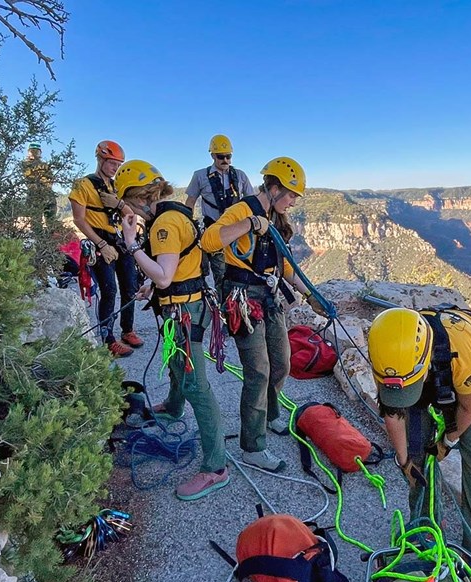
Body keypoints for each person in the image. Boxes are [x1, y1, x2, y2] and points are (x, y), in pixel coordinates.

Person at [115, 159, 229, 501]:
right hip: (183, 306)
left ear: (138, 198)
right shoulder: (174, 214)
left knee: (197, 384)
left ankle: (216, 468)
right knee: (178, 364)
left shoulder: (163, 224)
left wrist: (131, 243)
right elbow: (174, 268)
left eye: (127, 203)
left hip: (185, 312)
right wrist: (152, 285)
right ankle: (174, 406)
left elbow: (165, 274)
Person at [201, 157, 320, 473]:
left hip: (268, 295)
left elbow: (285, 265)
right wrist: (251, 224)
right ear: (275, 187)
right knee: (258, 371)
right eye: (291, 195)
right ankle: (253, 446)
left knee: (282, 361)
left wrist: (310, 295)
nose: (293, 202)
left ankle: (269, 415)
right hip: (242, 296)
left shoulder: (277, 218)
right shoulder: (244, 210)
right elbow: (209, 240)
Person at [367, 306, 471, 561]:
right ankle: (425, 527)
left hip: (469, 384)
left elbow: (467, 407)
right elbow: (392, 409)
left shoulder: (462, 353)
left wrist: (447, 441)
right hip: (423, 370)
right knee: (416, 453)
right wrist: (404, 460)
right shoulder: (388, 354)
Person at [69, 141, 143, 357]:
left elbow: (130, 216)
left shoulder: (116, 186)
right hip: (99, 238)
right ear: (100, 159)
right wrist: (101, 244)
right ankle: (108, 338)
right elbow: (79, 220)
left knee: (130, 287)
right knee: (109, 289)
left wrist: (118, 204)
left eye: (118, 164)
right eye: (112, 163)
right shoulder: (82, 185)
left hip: (118, 238)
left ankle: (127, 330)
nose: (115, 168)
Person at [185, 134, 254, 285]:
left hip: (238, 230)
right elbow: (190, 202)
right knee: (221, 273)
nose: (225, 161)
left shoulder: (240, 176)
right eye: (221, 157)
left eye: (228, 157)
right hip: (214, 230)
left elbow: (252, 202)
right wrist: (188, 226)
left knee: (241, 270)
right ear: (212, 156)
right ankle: (223, 303)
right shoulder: (200, 176)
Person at [22, 142, 57, 233]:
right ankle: (42, 243)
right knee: (37, 224)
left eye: (36, 151)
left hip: (46, 196)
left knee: (49, 224)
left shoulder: (44, 165)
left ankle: (48, 243)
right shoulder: (26, 164)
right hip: (38, 197)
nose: (34, 153)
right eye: (33, 151)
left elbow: (51, 180)